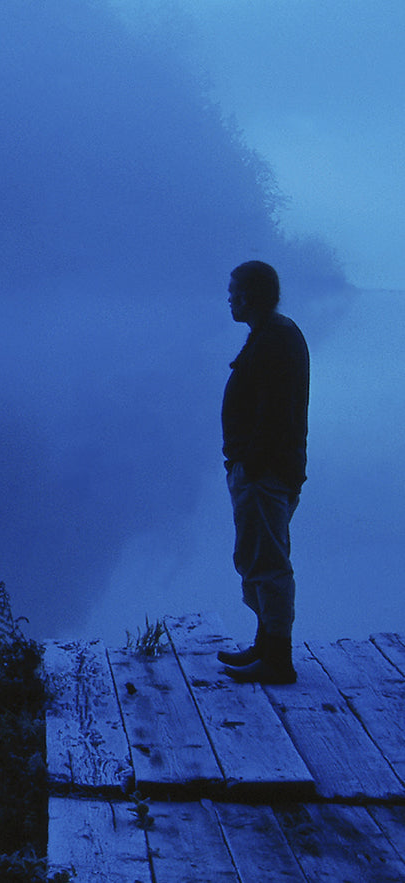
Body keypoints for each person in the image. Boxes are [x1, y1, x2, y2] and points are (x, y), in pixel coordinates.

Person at [218, 260, 309, 684]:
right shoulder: (273, 333)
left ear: (253, 294)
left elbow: (275, 416)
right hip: (264, 472)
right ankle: (264, 645)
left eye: (235, 291)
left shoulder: (275, 339)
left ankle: (278, 661)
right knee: (255, 557)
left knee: (268, 564)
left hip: (265, 475)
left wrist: (250, 466)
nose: (230, 298)